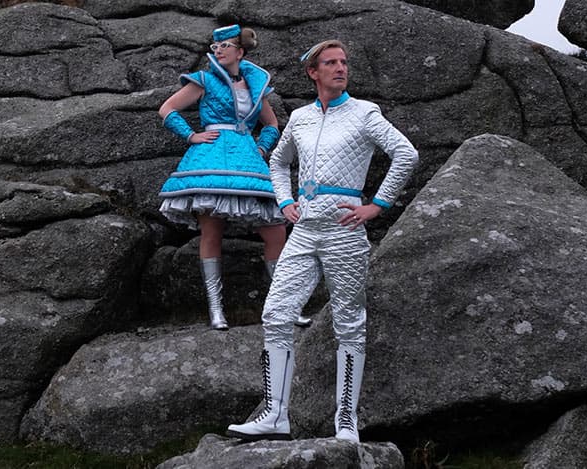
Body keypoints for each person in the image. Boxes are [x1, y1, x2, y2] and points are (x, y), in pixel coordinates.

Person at [225, 40, 418, 443]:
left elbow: (406, 154)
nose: (339, 68)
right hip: (305, 229)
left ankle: (346, 419)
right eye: (330, 63)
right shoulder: (300, 117)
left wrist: (377, 205)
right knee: (276, 314)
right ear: (313, 72)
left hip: (345, 232)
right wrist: (285, 201)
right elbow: (278, 162)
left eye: (344, 62)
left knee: (349, 325)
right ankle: (275, 414)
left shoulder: (365, 113)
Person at [158, 24, 296, 330]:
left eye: (224, 46)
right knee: (211, 232)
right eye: (215, 47)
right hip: (211, 157)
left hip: (247, 158)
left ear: (239, 52)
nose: (218, 50)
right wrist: (191, 135)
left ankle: (283, 307)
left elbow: (272, 124)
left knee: (275, 229)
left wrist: (261, 147)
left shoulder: (254, 85)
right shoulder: (204, 79)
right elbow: (167, 109)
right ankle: (216, 310)